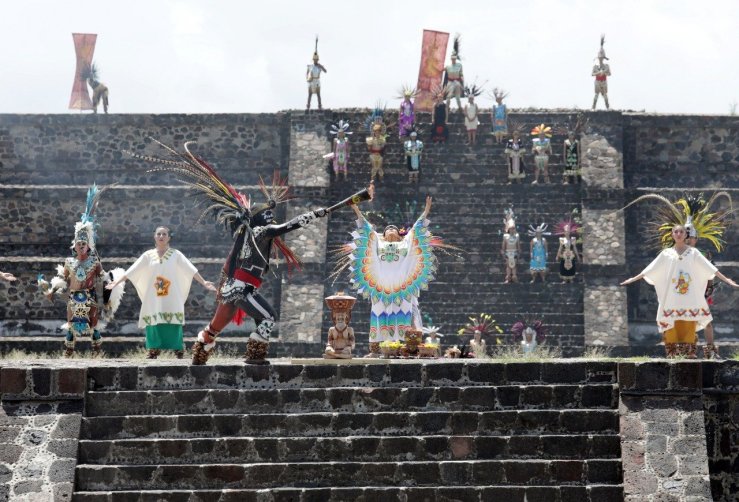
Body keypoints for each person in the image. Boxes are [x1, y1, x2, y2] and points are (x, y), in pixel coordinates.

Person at [129, 140, 372, 365]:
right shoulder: (260, 232)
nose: (270, 217)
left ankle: (200, 354)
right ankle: (254, 356)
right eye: (266, 215)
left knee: (214, 329)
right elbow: (288, 226)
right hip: (241, 289)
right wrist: (317, 214)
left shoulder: (253, 233)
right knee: (268, 318)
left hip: (236, 289)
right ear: (257, 219)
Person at [619, 192, 735, 358]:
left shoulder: (694, 253)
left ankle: (700, 351)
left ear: (687, 235)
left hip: (691, 294)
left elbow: (710, 269)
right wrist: (633, 279)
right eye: (676, 232)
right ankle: (674, 353)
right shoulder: (666, 253)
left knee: (696, 321)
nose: (679, 234)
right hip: (673, 295)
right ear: (672, 235)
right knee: (672, 321)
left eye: (682, 232)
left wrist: (727, 280)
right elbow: (650, 269)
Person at [339, 196, 447, 356]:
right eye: (387, 229)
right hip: (381, 286)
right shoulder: (378, 243)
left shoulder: (405, 243)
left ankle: (405, 348)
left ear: (398, 235)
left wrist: (426, 211)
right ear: (383, 235)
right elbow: (367, 230)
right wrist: (356, 209)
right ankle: (376, 350)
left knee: (404, 315)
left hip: (401, 286)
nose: (390, 229)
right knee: (378, 314)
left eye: (393, 228)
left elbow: (415, 231)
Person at [37, 185, 123, 357]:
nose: (82, 246)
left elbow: (102, 278)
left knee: (93, 325)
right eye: (79, 244)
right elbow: (63, 278)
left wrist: (111, 289)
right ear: (75, 247)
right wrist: (51, 290)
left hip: (90, 296)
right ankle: (69, 352)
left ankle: (97, 353)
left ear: (88, 246)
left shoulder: (94, 261)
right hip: (73, 297)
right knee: (71, 325)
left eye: (84, 243)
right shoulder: (69, 261)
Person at [106, 226, 216, 359]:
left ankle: (178, 349)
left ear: (169, 237)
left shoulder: (176, 254)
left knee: (173, 320)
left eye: (164, 234)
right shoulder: (148, 255)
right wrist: (116, 282)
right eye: (159, 234)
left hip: (172, 295)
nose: (161, 236)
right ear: (154, 237)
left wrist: (203, 282)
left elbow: (190, 269)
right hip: (153, 295)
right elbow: (132, 271)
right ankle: (153, 350)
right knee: (153, 320)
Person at [686, 231, 720, 359]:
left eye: (691, 237)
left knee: (707, 322)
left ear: (696, 239)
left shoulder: (702, 254)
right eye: (687, 237)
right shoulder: (678, 254)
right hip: (684, 293)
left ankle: (711, 352)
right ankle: (689, 351)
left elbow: (710, 272)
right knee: (688, 322)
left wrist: (709, 288)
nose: (689, 240)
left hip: (700, 293)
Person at [442, 36, 464, 112]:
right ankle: (447, 108)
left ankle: (460, 108)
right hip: (450, 82)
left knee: (458, 97)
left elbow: (461, 74)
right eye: (452, 59)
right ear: (451, 59)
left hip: (457, 82)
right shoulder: (448, 66)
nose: (453, 60)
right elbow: (441, 70)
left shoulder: (459, 65)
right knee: (448, 97)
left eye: (455, 58)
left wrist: (461, 79)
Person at [556, 219, 581, 283]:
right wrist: (557, 255)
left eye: (568, 231)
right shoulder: (562, 239)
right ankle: (564, 279)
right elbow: (560, 248)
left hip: (571, 255)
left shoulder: (572, 239)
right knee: (563, 266)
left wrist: (577, 256)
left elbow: (574, 248)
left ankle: (571, 279)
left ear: (570, 232)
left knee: (571, 266)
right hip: (564, 255)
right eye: (566, 231)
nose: (567, 232)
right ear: (564, 232)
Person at [306, 37, 327, 111]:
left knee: (318, 94)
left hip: (317, 80)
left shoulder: (319, 66)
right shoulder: (310, 66)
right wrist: (308, 79)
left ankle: (319, 106)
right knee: (310, 94)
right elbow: (307, 73)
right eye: (314, 59)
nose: (315, 60)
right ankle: (308, 106)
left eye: (316, 59)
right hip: (311, 81)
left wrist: (321, 66)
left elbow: (325, 71)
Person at [501, 208, 521, 284]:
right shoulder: (505, 236)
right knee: (508, 266)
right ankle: (508, 277)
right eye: (511, 229)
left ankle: (514, 276)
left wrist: (519, 252)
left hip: (514, 252)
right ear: (509, 229)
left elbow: (518, 246)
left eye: (513, 229)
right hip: (508, 252)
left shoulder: (517, 236)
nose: (512, 230)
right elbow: (504, 246)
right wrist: (503, 252)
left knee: (514, 265)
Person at [591, 35, 611, 110]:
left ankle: (608, 108)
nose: (601, 59)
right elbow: (592, 74)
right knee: (596, 95)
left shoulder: (606, 66)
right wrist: (598, 73)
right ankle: (593, 108)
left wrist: (604, 73)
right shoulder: (595, 66)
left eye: (602, 58)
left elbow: (609, 74)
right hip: (597, 82)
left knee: (605, 95)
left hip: (604, 82)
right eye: (600, 58)